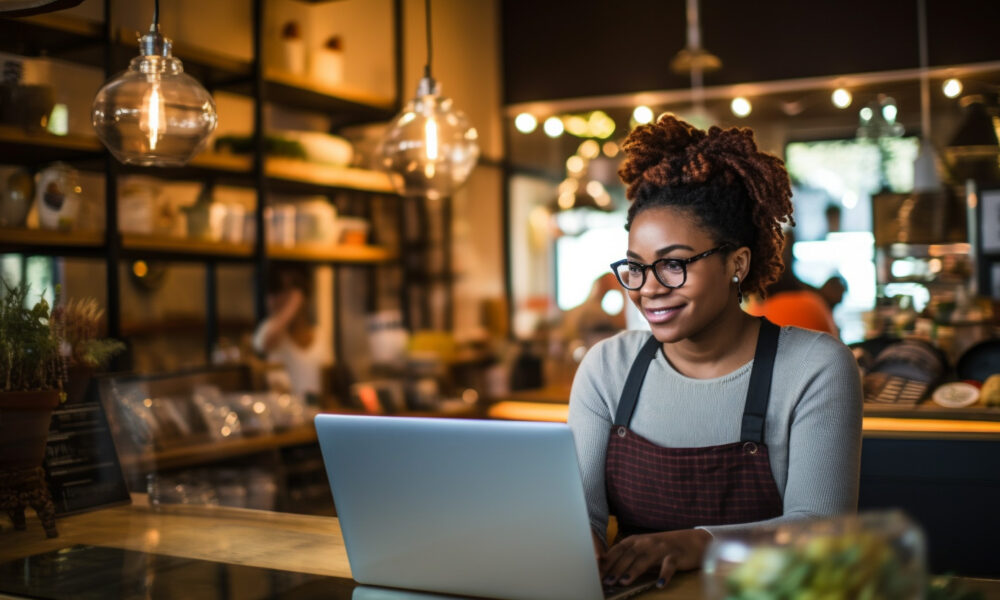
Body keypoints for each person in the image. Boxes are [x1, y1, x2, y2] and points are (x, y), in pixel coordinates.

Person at [567, 116, 862, 590]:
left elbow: (822, 531)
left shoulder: (813, 368)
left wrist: (692, 543)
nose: (649, 289)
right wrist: (576, 543)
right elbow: (579, 517)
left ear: (737, 264)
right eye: (637, 268)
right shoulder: (607, 368)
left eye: (674, 265)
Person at [252, 264, 328, 400]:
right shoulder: (270, 331)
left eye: (287, 290)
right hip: (284, 416)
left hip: (316, 415)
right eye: (275, 291)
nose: (277, 298)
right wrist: (292, 305)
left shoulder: (321, 334)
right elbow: (262, 344)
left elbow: (328, 380)